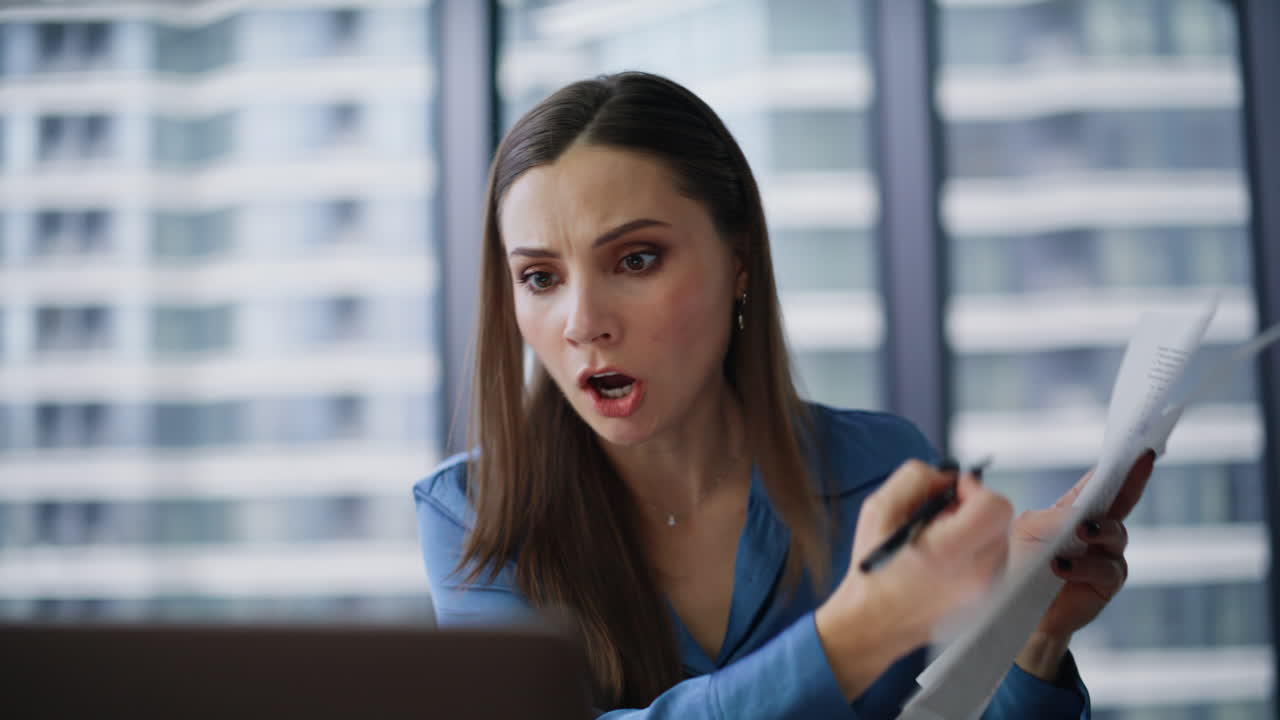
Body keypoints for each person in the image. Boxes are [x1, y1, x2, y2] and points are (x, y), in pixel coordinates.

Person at [413, 71, 1154, 718]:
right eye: (540, 277)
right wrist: (858, 633)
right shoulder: (475, 516)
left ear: (739, 263)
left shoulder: (884, 466)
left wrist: (1033, 637)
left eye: (636, 260)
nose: (583, 324)